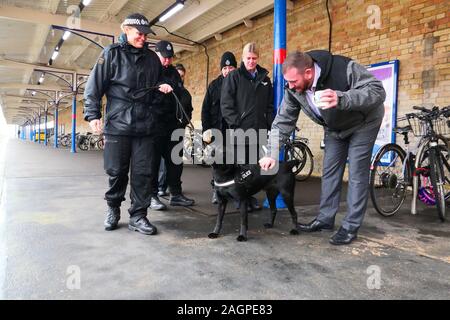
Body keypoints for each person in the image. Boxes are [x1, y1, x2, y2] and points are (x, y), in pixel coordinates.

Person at [259, 50, 386, 245]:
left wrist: (342, 98)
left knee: (356, 174)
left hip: (363, 122)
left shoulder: (344, 68)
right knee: (330, 171)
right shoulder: (293, 89)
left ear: (309, 73)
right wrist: (272, 153)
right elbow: (283, 120)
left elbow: (377, 90)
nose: (290, 86)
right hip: (334, 126)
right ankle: (325, 219)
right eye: (288, 82)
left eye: (293, 81)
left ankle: (350, 227)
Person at [84, 13, 174, 235]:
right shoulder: (111, 54)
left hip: (146, 126)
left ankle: (138, 215)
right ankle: (113, 209)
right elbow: (94, 87)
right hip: (118, 124)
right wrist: (93, 115)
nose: (143, 38)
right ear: (126, 30)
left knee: (143, 173)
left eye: (145, 35)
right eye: (139, 34)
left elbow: (155, 89)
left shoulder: (153, 59)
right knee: (117, 172)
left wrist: (162, 88)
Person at [221, 42, 274, 211]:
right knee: (240, 167)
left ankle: (249, 196)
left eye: (254, 58)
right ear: (243, 58)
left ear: (258, 58)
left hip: (259, 131)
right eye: (248, 58)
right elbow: (226, 105)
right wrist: (236, 125)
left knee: (252, 167)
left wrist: (269, 125)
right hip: (240, 131)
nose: (251, 61)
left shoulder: (265, 80)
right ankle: (239, 199)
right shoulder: (233, 77)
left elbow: (270, 106)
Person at [150, 40, 195, 210]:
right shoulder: (150, 71)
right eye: (164, 57)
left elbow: (181, 95)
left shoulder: (174, 74)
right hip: (155, 125)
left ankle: (175, 194)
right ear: (156, 54)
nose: (167, 61)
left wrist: (183, 119)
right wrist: (158, 88)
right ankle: (152, 195)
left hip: (173, 126)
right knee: (153, 163)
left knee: (175, 162)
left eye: (170, 58)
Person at [201, 51, 237, 204]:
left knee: (234, 162)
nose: (227, 71)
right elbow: (205, 110)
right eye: (225, 68)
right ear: (221, 69)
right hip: (216, 132)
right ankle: (217, 191)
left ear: (235, 68)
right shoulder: (214, 86)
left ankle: (234, 192)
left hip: (234, 132)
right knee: (217, 163)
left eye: (231, 68)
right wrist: (206, 130)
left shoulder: (240, 84)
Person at [157, 63, 193, 197]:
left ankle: (175, 190)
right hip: (164, 130)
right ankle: (160, 186)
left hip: (178, 131)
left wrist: (183, 122)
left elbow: (188, 111)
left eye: (182, 76)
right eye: (179, 75)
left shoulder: (185, 94)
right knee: (162, 163)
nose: (180, 78)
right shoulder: (166, 92)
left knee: (176, 162)